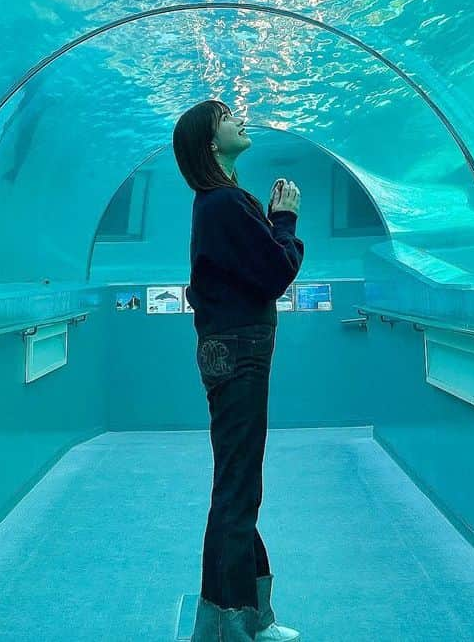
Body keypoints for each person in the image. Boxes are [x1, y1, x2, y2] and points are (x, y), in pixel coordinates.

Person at [174, 99, 306, 642]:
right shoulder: (225, 203)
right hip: (241, 351)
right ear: (210, 140)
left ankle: (246, 619)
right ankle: (232, 628)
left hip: (226, 350)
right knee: (237, 490)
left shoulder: (215, 204)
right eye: (228, 116)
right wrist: (286, 221)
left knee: (236, 485)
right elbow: (277, 272)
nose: (240, 119)